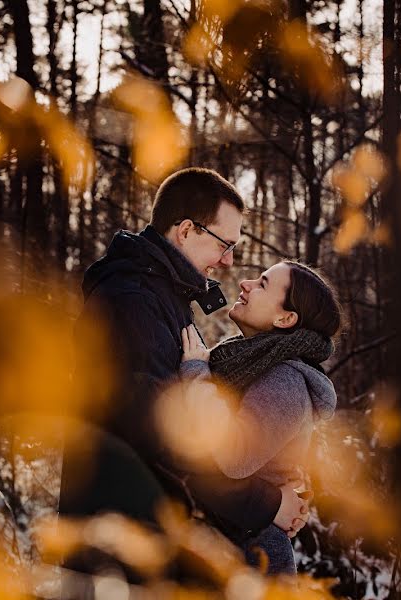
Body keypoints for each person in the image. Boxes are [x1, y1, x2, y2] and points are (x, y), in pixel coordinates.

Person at [60, 167, 309, 546]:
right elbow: (167, 440)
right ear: (187, 230)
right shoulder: (133, 301)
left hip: (142, 530)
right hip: (119, 539)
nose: (228, 261)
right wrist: (266, 503)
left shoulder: (164, 296)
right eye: (224, 244)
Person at [180, 260, 343, 574]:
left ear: (285, 318)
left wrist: (195, 377)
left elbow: (235, 456)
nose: (245, 283)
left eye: (263, 284)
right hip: (231, 536)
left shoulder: (287, 380)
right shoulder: (248, 360)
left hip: (252, 555)